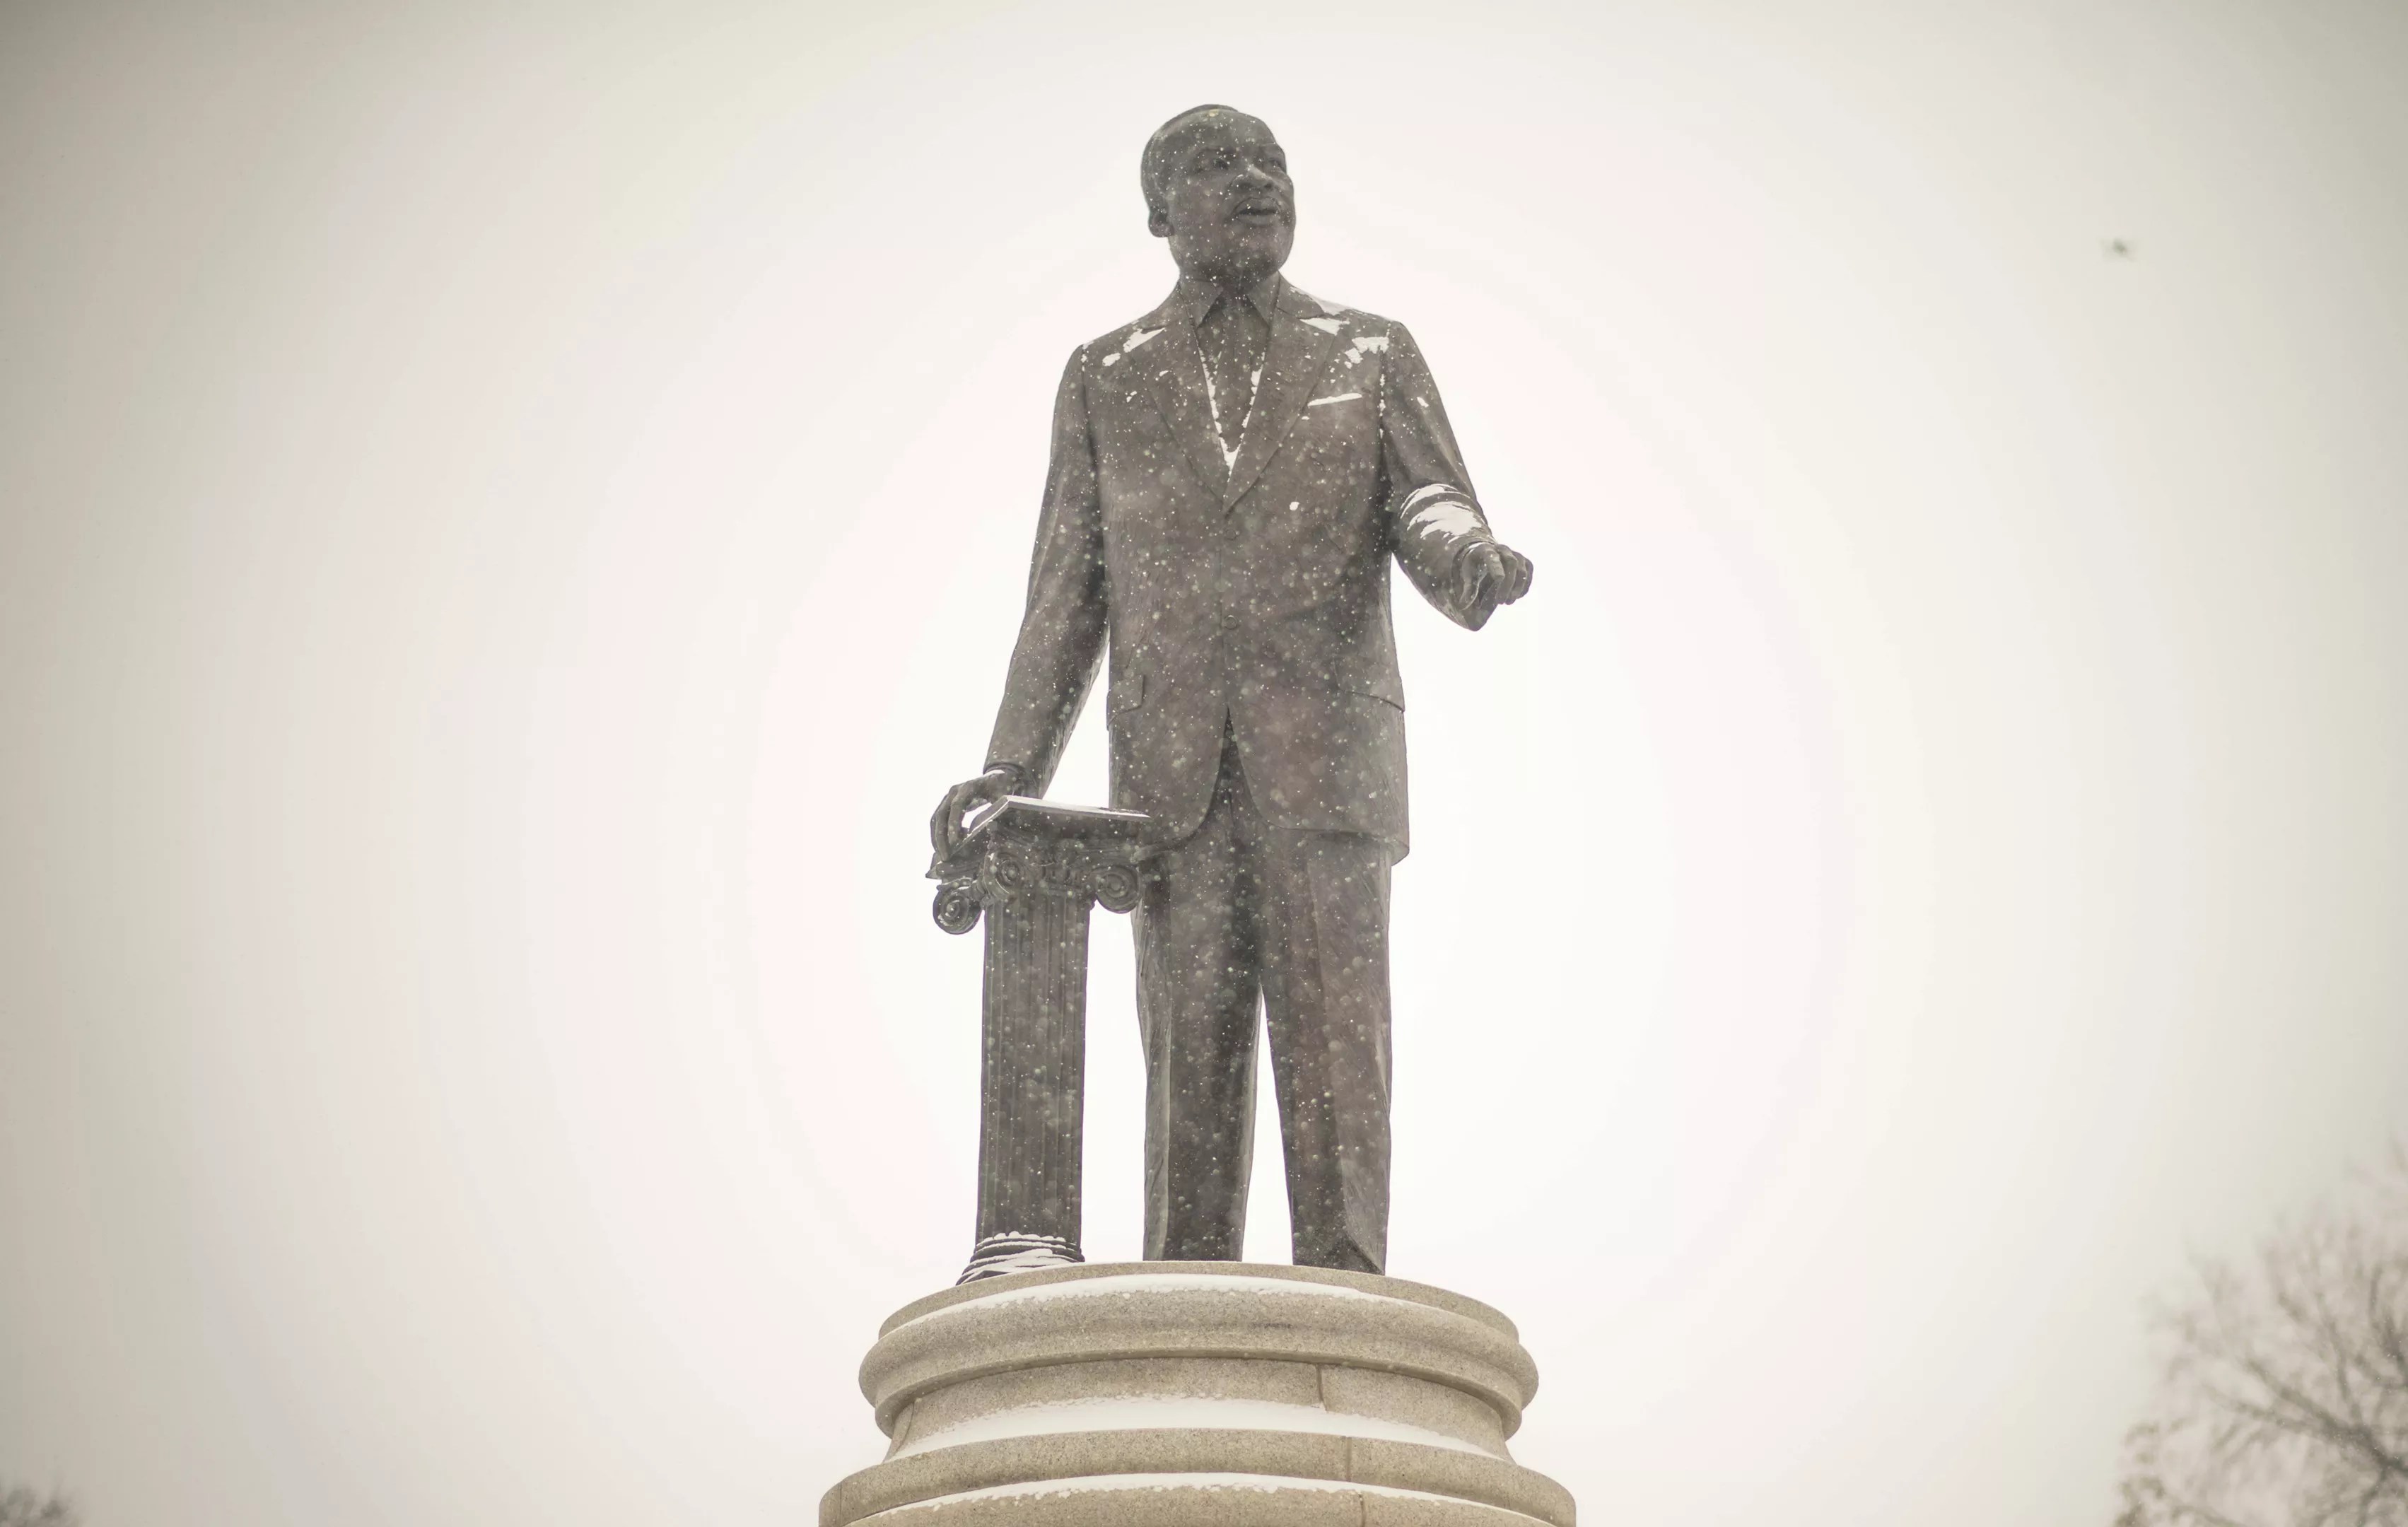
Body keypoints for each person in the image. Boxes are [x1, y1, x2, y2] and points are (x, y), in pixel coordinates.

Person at [930, 105, 1532, 1273]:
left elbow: (1426, 495)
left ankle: (1345, 1301)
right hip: (1170, 774)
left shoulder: (1369, 350)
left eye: (1273, 164)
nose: (1257, 182)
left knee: (1338, 1058)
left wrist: (1465, 552)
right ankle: (1188, 1308)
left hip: (1330, 758)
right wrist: (1012, 767)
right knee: (1187, 1065)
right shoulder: (1106, 375)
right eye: (1219, 167)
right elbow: (1067, 587)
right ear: (1160, 214)